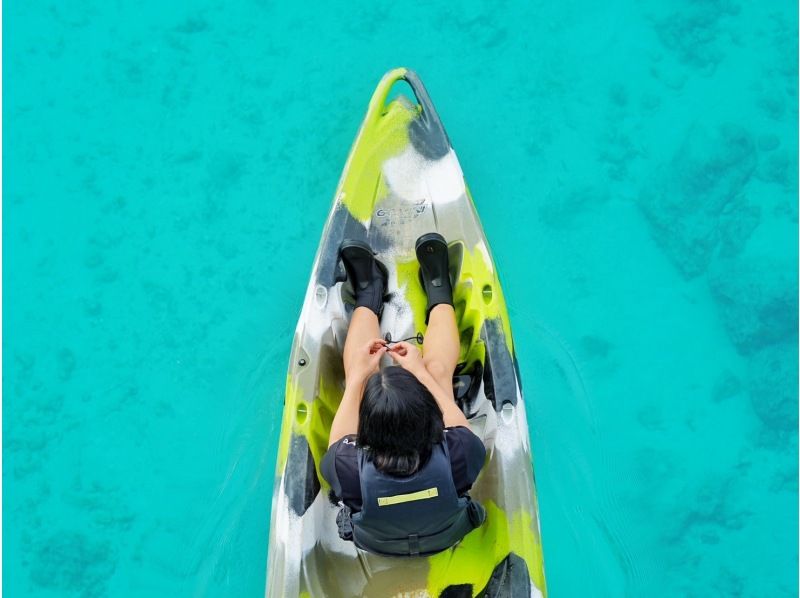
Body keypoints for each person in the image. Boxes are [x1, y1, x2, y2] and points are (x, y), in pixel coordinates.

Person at [321, 232, 487, 557]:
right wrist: (422, 374)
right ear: (430, 421)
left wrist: (358, 378)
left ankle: (369, 295)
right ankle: (439, 291)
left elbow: (338, 443)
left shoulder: (346, 467)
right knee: (439, 371)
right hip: (446, 535)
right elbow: (458, 425)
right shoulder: (460, 452)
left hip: (377, 544)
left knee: (356, 367)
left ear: (366, 429)